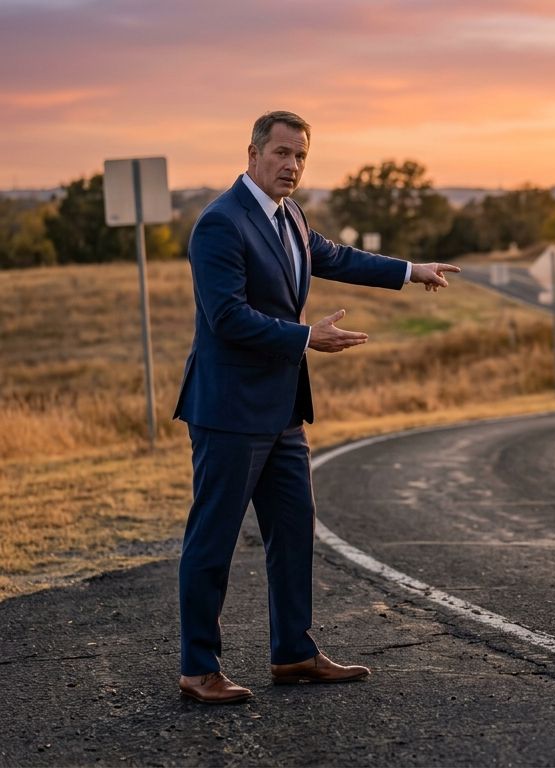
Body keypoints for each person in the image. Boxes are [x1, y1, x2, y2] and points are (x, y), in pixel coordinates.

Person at [171, 110, 461, 704]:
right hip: (228, 411)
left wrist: (411, 271)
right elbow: (226, 319)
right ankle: (199, 668)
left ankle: (294, 654)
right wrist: (307, 337)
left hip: (282, 411)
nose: (291, 166)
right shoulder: (219, 225)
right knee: (213, 540)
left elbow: (336, 256)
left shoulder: (291, 216)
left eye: (300, 156)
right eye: (280, 153)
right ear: (251, 152)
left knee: (294, 532)